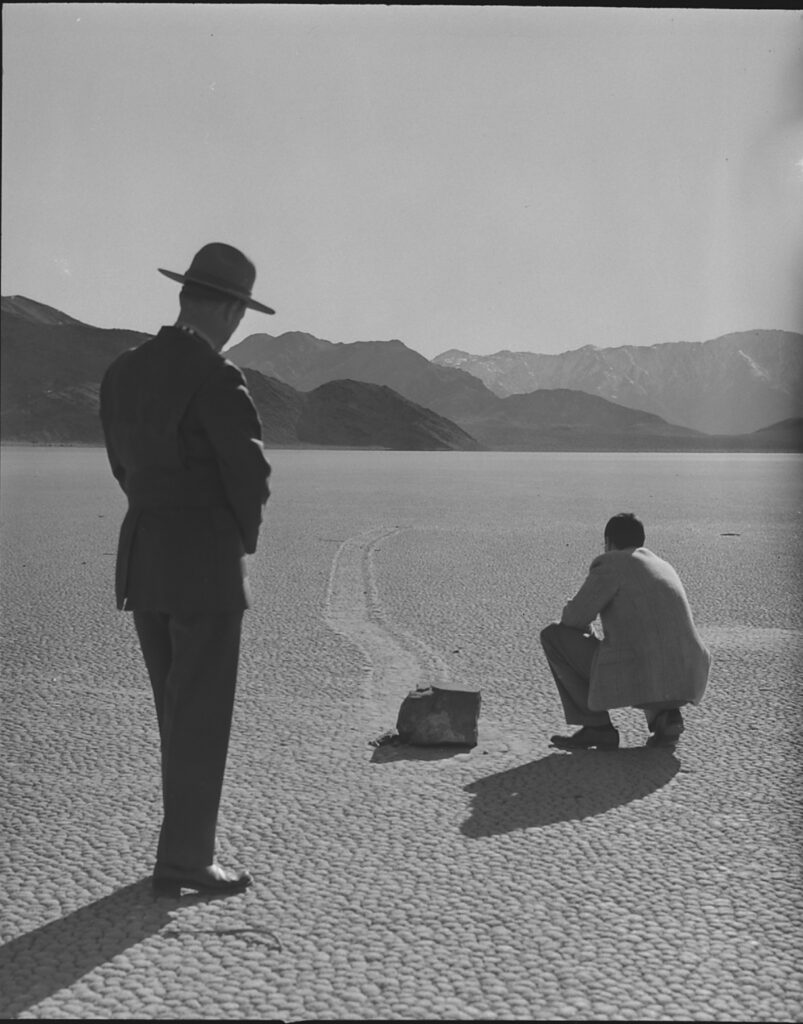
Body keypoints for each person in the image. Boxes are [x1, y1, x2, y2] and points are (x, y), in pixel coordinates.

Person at [100, 243, 273, 896]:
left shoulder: (122, 370)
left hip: (144, 558)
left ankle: (181, 850)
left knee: (175, 713)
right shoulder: (214, 374)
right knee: (200, 715)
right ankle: (185, 859)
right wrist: (238, 545)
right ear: (228, 308)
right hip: (203, 565)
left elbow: (120, 464)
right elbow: (248, 478)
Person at [540, 512, 710, 751]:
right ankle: (666, 716)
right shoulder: (662, 565)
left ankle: (596, 727)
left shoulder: (612, 563)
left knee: (553, 637)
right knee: (648, 645)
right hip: (688, 675)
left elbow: (573, 619)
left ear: (609, 542)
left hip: (646, 673)